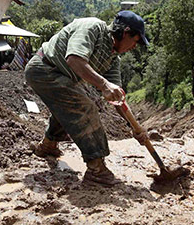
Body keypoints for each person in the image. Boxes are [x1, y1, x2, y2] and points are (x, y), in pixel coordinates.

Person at [25, 11, 149, 186]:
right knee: (84, 108)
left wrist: (135, 127)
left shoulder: (113, 59)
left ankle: (47, 146)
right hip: (43, 68)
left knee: (68, 106)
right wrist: (104, 85)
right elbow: (74, 59)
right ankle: (96, 169)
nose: (134, 47)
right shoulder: (92, 27)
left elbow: (117, 97)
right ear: (125, 32)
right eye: (135, 40)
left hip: (63, 78)